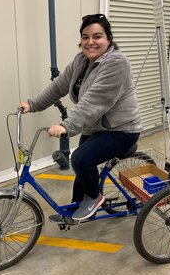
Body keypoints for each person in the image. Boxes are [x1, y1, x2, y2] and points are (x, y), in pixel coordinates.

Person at [19, 13, 142, 223]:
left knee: (80, 159)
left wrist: (67, 125)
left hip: (122, 130)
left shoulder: (116, 63)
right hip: (96, 128)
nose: (90, 42)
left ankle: (94, 198)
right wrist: (32, 104)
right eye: (85, 37)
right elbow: (58, 86)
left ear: (108, 39)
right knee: (83, 164)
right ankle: (77, 209)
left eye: (97, 36)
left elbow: (95, 101)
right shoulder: (81, 61)